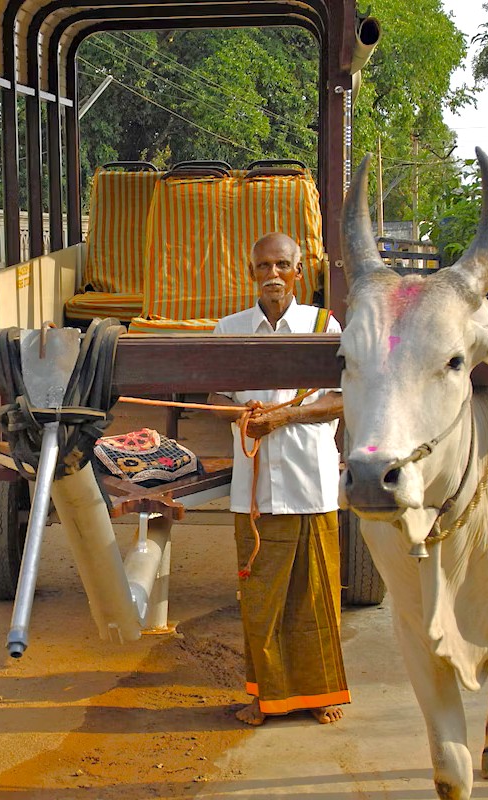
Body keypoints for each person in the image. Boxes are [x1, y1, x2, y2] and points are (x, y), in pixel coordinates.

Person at [207, 232, 350, 726]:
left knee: (316, 596)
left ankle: (320, 694)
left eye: (282, 265)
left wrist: (284, 417)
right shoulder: (229, 329)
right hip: (254, 488)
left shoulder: (323, 325)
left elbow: (342, 398)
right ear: (251, 273)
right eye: (263, 265)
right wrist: (240, 415)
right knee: (260, 599)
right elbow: (214, 399)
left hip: (311, 481)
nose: (272, 274)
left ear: (298, 272)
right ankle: (264, 697)